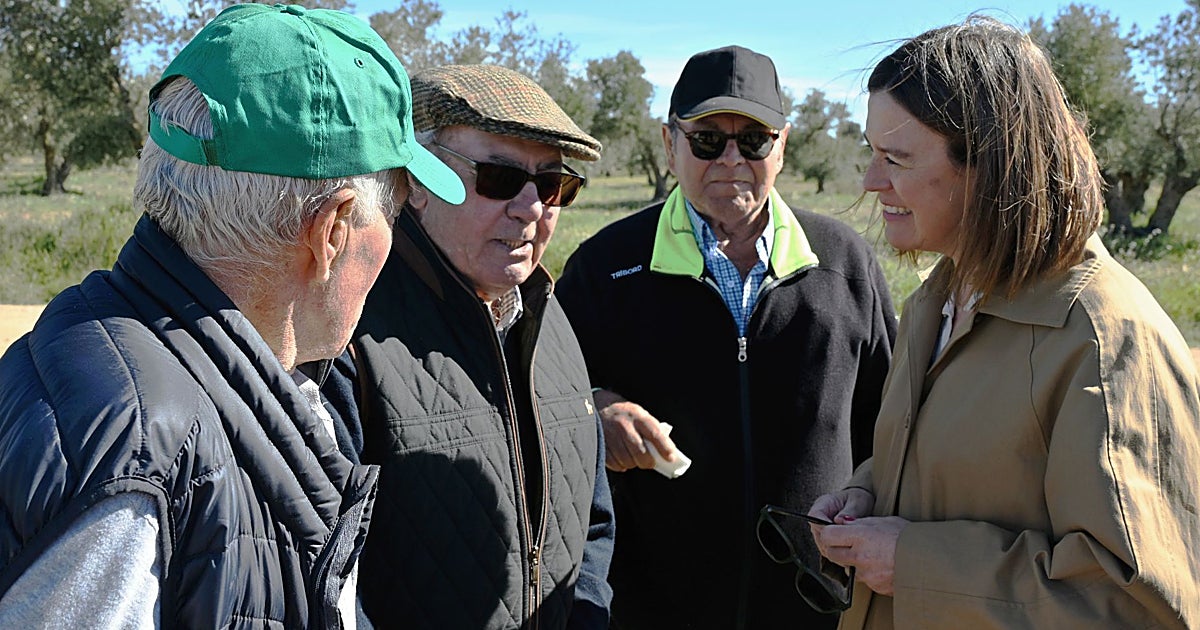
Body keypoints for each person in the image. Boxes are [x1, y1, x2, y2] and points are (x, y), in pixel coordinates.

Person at [0, 4, 464, 628]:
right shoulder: (142, 465)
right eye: (397, 211)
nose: (393, 240)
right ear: (331, 231)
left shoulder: (112, 340)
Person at [808, 16, 1200, 629]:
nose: (871, 181)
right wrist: (868, 493)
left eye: (896, 159)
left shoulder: (1103, 340)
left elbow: (1137, 606)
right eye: (870, 153)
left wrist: (916, 564)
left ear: (991, 167)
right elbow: (957, 472)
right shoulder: (933, 304)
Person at [556, 45, 897, 629]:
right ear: (670, 144)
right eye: (708, 140)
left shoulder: (845, 263)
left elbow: (889, 424)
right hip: (649, 612)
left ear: (782, 147)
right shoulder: (604, 266)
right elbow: (541, 404)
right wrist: (594, 413)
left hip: (816, 610)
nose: (732, 159)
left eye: (755, 140)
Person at [324, 64, 614, 629]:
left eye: (552, 184)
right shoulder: (344, 337)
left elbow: (593, 523)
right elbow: (322, 579)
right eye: (499, 179)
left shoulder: (550, 317)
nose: (532, 207)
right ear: (416, 183)